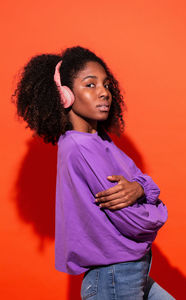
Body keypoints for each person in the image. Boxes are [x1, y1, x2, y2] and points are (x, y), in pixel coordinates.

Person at [14, 46, 175, 299]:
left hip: (131, 272)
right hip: (114, 277)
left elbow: (144, 184)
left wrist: (141, 188)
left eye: (106, 85)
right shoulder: (80, 148)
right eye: (90, 85)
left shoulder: (101, 141)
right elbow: (135, 222)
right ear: (65, 95)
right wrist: (157, 205)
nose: (104, 92)